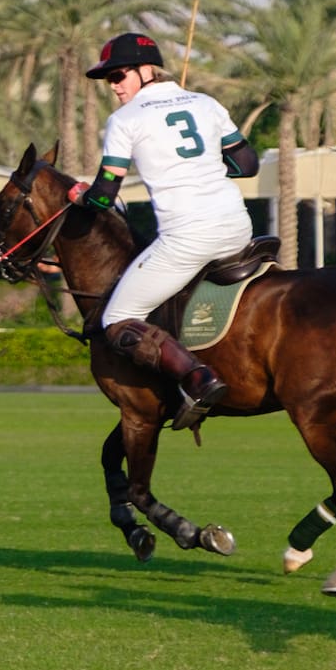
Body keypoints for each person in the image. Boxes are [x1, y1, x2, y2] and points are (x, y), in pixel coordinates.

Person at [68, 32, 259, 431]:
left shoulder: (125, 120)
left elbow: (105, 198)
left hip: (188, 237)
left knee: (118, 316)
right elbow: (247, 164)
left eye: (119, 75)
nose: (115, 86)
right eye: (109, 80)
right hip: (238, 228)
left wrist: (80, 195)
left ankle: (196, 377)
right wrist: (202, 167)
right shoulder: (206, 103)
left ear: (146, 70)